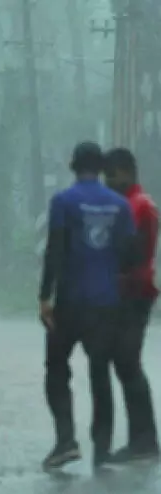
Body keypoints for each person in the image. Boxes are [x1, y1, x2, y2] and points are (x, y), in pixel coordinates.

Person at [38, 142, 138, 470]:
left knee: (56, 368)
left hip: (69, 302)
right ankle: (103, 449)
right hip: (106, 303)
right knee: (100, 373)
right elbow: (131, 254)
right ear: (101, 168)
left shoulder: (63, 201)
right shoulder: (120, 205)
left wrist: (45, 297)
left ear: (72, 165)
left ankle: (66, 441)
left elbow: (54, 250)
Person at [104, 147, 160, 463]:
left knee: (128, 363)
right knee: (125, 364)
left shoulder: (140, 206)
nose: (108, 181)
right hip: (123, 292)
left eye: (112, 175)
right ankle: (142, 437)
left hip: (134, 293)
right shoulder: (128, 205)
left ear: (126, 171)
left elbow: (135, 252)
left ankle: (144, 439)